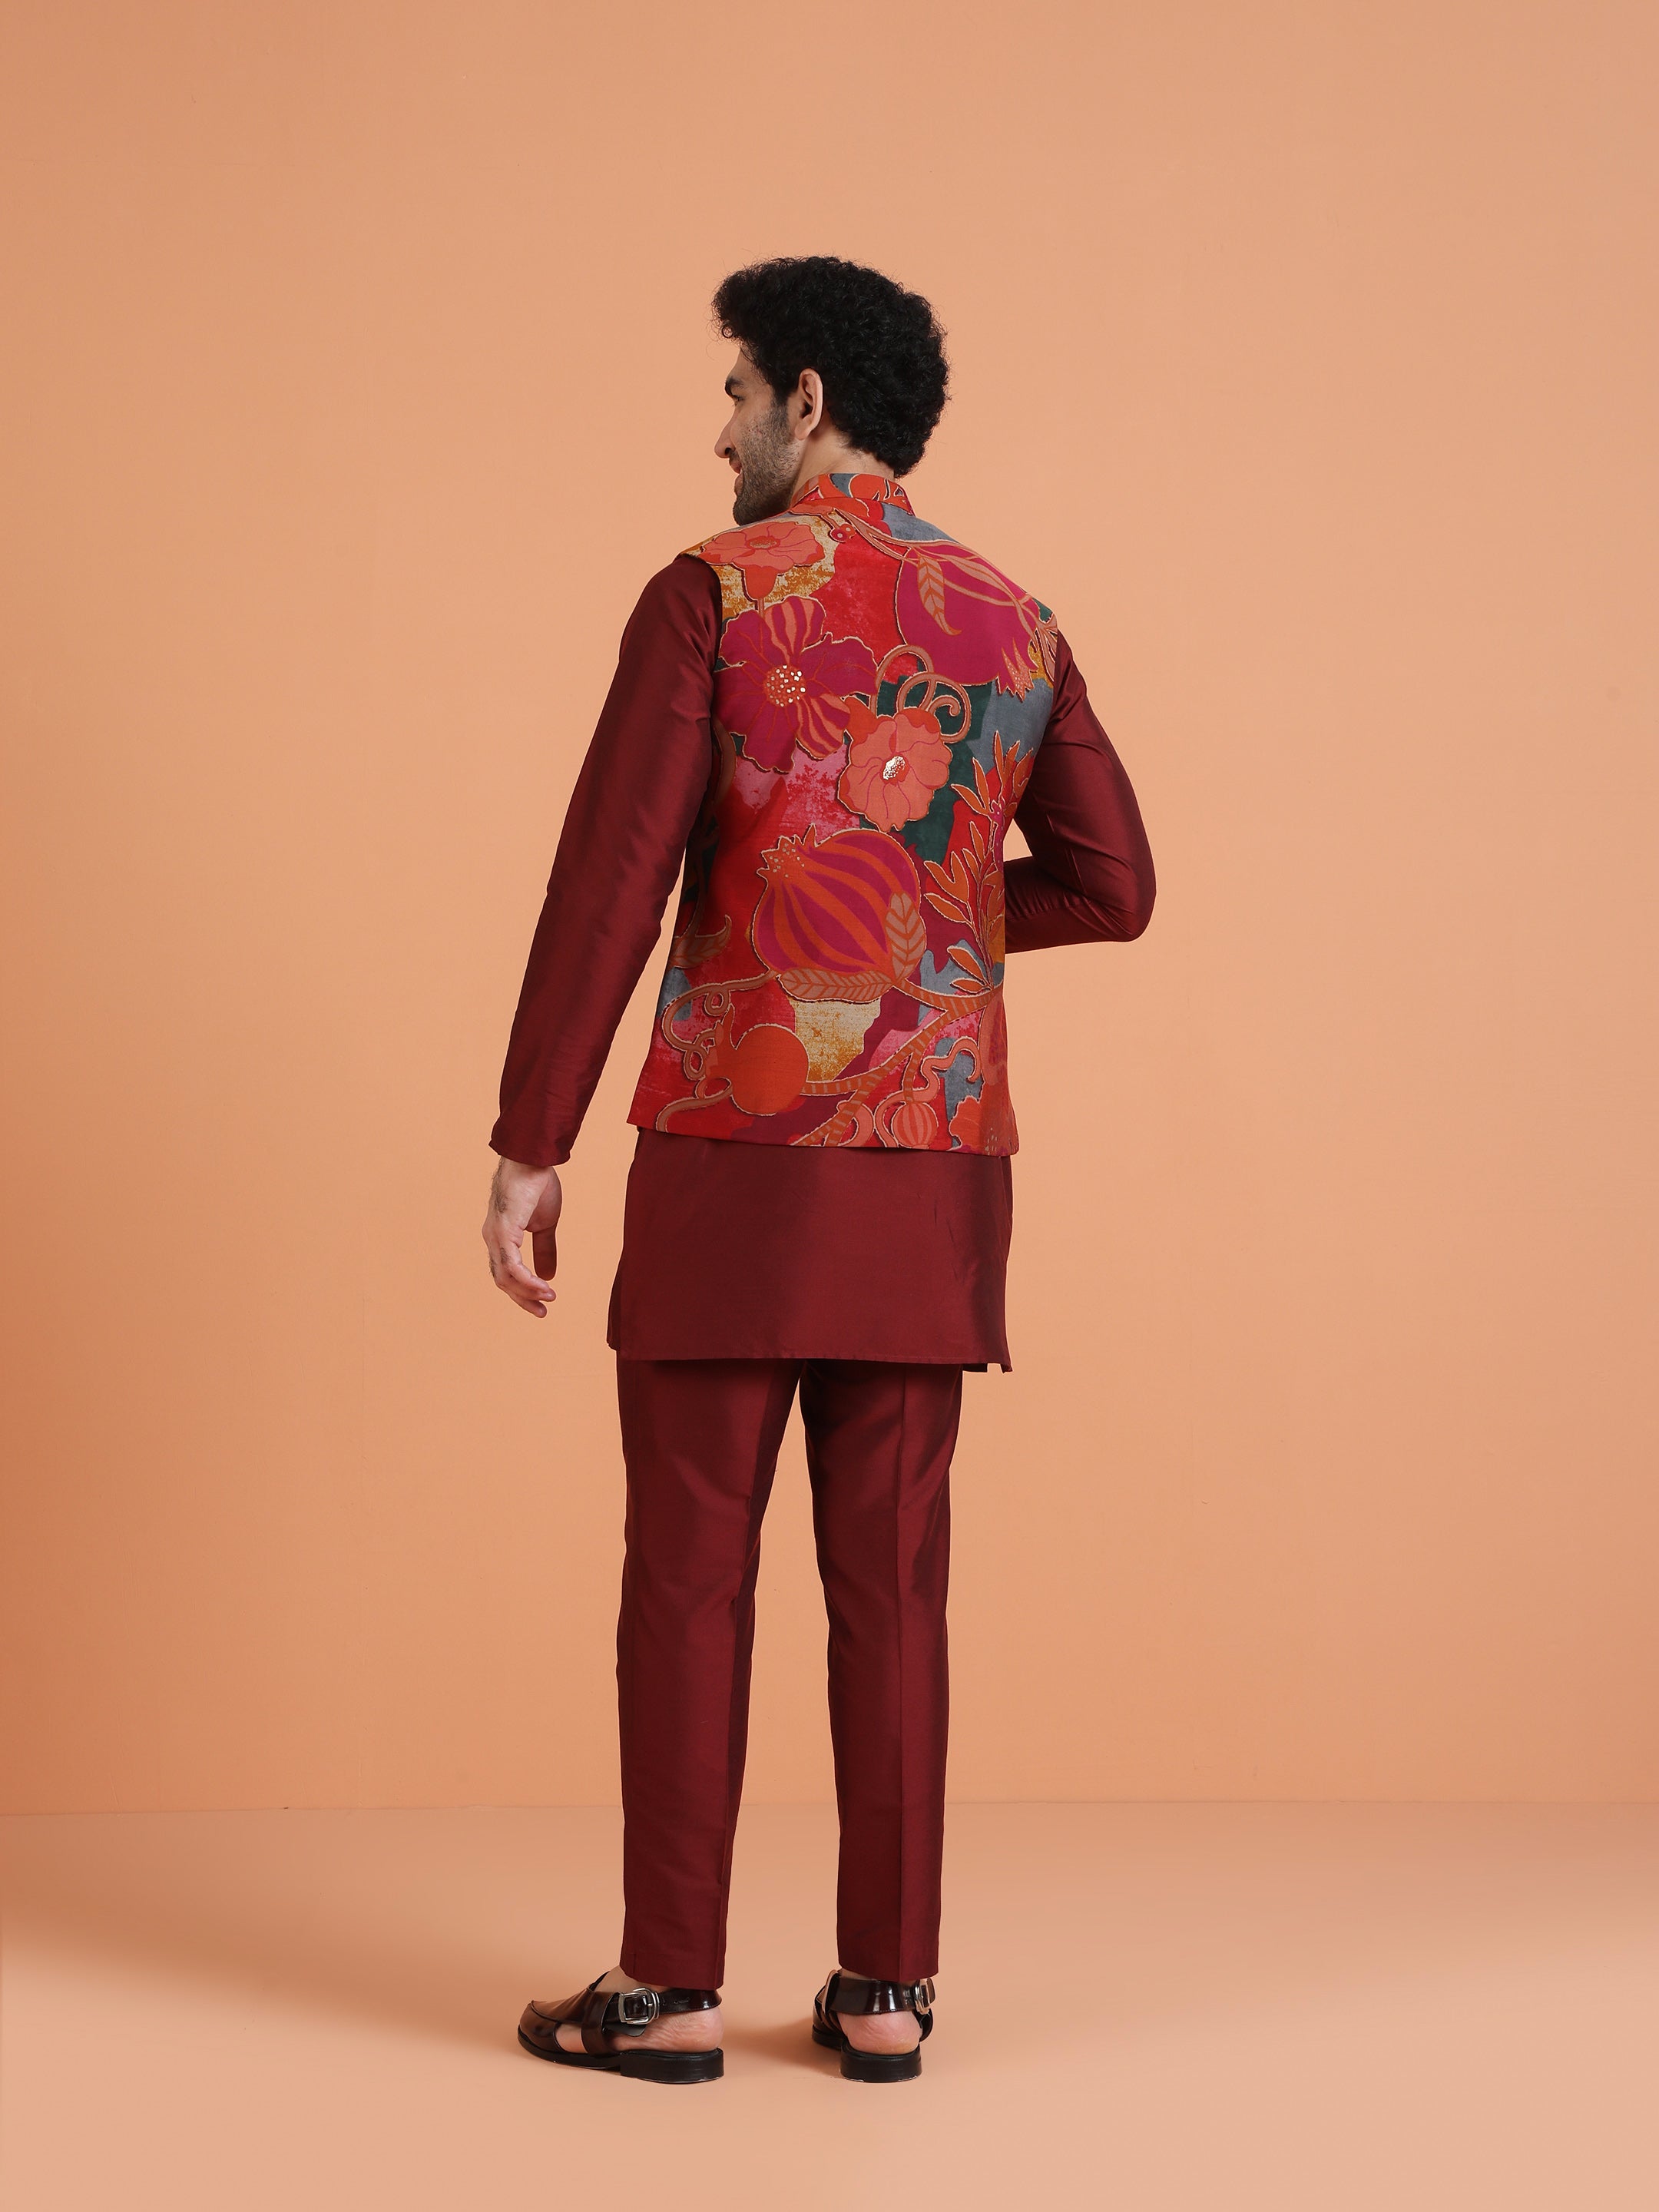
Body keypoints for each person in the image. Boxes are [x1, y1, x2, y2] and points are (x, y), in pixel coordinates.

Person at [482, 255, 1155, 2085]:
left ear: (804, 396)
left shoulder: (712, 593)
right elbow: (1116, 884)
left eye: (733, 396)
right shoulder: (1015, 621)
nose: (719, 434)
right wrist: (930, 927)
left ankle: (668, 1994)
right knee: (898, 1586)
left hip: (736, 1153)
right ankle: (888, 1994)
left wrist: (531, 1141)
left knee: (688, 1576)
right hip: (932, 1166)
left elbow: (612, 885)